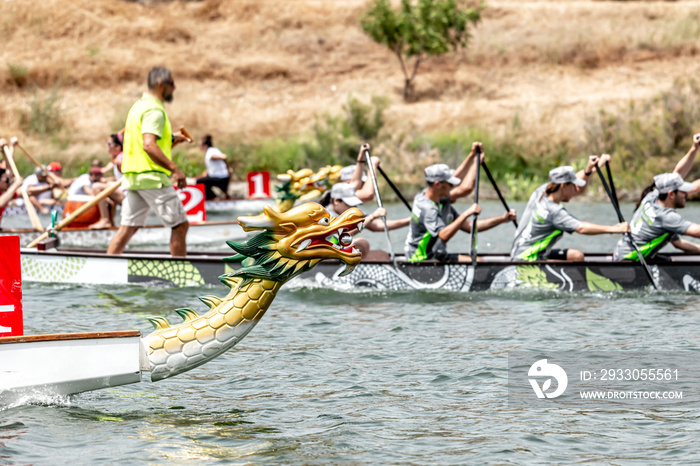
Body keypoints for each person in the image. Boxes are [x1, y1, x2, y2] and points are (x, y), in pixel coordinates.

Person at [107, 66, 190, 256]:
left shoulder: (138, 107)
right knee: (180, 226)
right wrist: (175, 170)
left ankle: (108, 265)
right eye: (172, 83)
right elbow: (149, 145)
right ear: (161, 85)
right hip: (152, 178)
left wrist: (172, 137)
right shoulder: (155, 111)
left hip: (134, 178)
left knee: (128, 227)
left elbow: (141, 139)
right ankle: (181, 276)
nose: (174, 88)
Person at [511, 156, 628, 262]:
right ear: (563, 185)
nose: (575, 190)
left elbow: (577, 181)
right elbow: (581, 228)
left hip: (519, 251)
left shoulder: (541, 191)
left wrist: (590, 169)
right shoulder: (554, 212)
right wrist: (614, 229)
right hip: (526, 260)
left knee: (576, 256)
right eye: (573, 186)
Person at [406, 163, 517, 262]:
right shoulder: (428, 208)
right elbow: (443, 235)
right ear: (437, 185)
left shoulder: (431, 198)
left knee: (479, 261)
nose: (452, 186)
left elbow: (470, 227)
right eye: (449, 183)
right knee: (479, 262)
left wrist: (502, 219)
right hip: (422, 260)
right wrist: (466, 213)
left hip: (436, 255)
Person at [613, 175, 700, 261]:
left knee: (672, 261)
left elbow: (678, 243)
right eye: (683, 192)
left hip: (621, 253)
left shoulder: (651, 197)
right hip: (630, 261)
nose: (686, 195)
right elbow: (697, 231)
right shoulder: (666, 217)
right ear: (671, 194)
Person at [323, 182, 410, 261]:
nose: (352, 208)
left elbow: (376, 225)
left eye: (354, 204)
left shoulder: (347, 212)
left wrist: (408, 221)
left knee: (382, 255)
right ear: (336, 201)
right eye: (349, 204)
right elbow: (346, 234)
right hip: (323, 258)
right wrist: (372, 217)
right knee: (362, 243)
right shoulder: (325, 216)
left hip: (338, 254)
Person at [195, 134, 230, 200]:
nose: (199, 147)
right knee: (204, 181)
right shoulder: (214, 150)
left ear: (205, 146)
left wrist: (228, 169)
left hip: (220, 178)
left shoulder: (210, 152)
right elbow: (208, 170)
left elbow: (224, 157)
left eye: (200, 145)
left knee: (199, 182)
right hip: (222, 177)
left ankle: (215, 199)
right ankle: (214, 198)